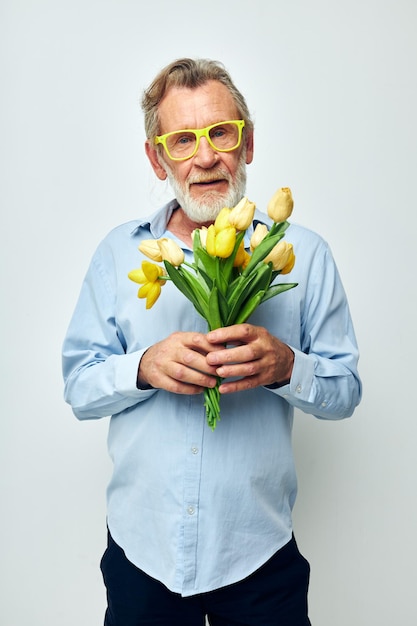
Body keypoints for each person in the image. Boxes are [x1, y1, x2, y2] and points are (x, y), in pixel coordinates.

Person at [62, 58, 362, 625]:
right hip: (139, 554)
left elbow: (345, 390)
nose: (205, 158)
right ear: (157, 158)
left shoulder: (299, 253)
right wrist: (144, 366)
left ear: (247, 144)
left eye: (221, 133)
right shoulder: (120, 255)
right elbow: (78, 387)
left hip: (259, 558)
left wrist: (285, 365)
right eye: (182, 140)